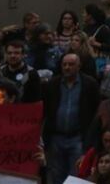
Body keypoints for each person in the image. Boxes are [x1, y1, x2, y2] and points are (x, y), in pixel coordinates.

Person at [43, 53, 101, 184]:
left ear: (79, 66)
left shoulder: (89, 84)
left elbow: (95, 111)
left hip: (78, 137)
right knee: (56, 175)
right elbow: (46, 110)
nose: (67, 67)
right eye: (64, 64)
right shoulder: (53, 84)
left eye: (71, 64)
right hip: (56, 137)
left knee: (75, 175)